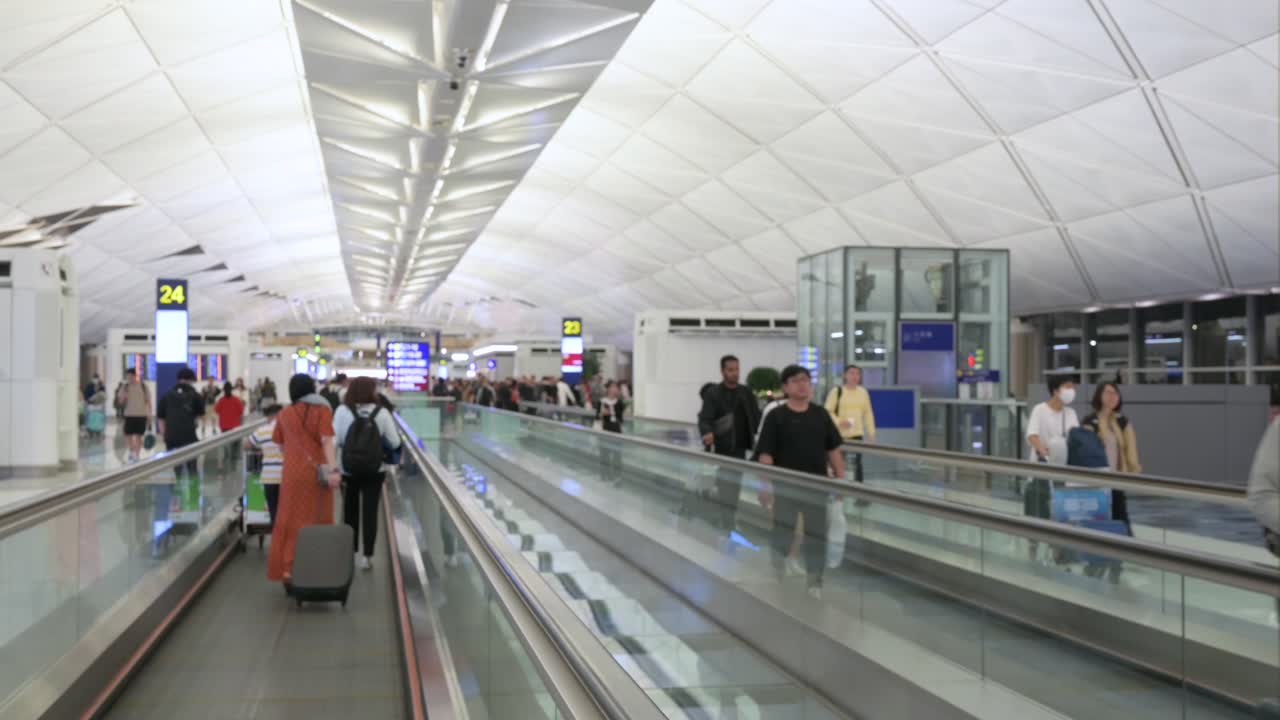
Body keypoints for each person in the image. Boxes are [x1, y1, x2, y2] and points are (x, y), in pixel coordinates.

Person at [755, 365, 845, 599]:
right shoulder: (777, 417)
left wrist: (841, 482)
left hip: (817, 486)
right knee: (783, 532)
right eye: (795, 381)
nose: (802, 384)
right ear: (785, 387)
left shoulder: (820, 415)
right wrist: (765, 485)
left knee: (816, 536)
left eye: (805, 380)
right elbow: (766, 454)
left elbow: (833, 450)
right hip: (785, 487)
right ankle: (778, 570)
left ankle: (815, 580)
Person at [267, 374, 341, 587]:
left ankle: (289, 569)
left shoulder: (284, 414)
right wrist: (334, 469)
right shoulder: (323, 410)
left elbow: (280, 446)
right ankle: (318, 567)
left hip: (291, 475)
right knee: (319, 518)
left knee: (290, 521)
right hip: (317, 475)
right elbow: (327, 442)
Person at [333, 377, 402, 570]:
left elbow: (334, 440)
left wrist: (334, 466)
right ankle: (367, 556)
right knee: (370, 511)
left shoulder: (342, 411)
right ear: (372, 391)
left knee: (349, 511)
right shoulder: (382, 413)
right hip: (375, 469)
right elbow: (395, 442)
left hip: (348, 469)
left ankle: (350, 553)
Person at [697, 355, 763, 528]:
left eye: (737, 369)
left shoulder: (745, 392)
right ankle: (726, 521)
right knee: (726, 486)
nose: (735, 373)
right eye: (731, 370)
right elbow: (705, 418)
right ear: (722, 371)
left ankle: (728, 519)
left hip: (740, 449)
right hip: (721, 448)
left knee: (733, 486)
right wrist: (707, 432)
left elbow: (755, 416)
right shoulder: (714, 393)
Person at [1024, 375, 1081, 536]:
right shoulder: (1040, 410)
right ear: (1056, 390)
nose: (1072, 391)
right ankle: (1032, 550)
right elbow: (1032, 435)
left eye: (1072, 387)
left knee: (1061, 517)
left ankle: (1058, 553)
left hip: (1063, 473)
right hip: (1041, 472)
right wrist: (1042, 450)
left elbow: (1075, 438)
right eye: (1068, 387)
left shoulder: (1070, 413)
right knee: (1036, 517)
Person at [1079, 382, 1141, 525]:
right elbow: (1086, 451)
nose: (1112, 396)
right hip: (1097, 481)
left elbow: (1131, 452)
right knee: (1099, 521)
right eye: (1108, 393)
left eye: (1115, 393)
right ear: (1099, 396)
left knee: (1121, 520)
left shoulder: (1122, 422)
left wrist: (1133, 472)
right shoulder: (1089, 422)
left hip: (1116, 480)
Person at [824, 364, 876, 485]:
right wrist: (839, 421)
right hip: (838, 435)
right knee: (837, 464)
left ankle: (859, 495)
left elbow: (868, 413)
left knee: (857, 465)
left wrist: (871, 433)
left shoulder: (863, 392)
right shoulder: (837, 391)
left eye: (858, 374)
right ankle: (836, 490)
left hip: (856, 434)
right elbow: (827, 411)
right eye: (851, 373)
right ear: (845, 375)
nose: (855, 376)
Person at [156, 368, 205, 476]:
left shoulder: (166, 395)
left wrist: (165, 434)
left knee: (177, 468)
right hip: (189, 436)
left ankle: (178, 489)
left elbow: (160, 418)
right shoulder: (196, 396)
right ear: (190, 380)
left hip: (171, 438)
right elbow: (201, 414)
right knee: (192, 468)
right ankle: (193, 491)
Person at [246, 404, 284, 527]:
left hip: (269, 477)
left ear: (270, 416)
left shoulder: (262, 430)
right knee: (286, 512)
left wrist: (261, 448)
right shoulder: (288, 429)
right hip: (286, 477)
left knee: (273, 511)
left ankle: (276, 540)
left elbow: (246, 444)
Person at [596, 381, 626, 482]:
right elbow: (597, 417)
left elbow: (621, 418)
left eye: (616, 387)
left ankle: (617, 476)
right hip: (605, 428)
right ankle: (605, 475)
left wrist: (621, 429)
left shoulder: (619, 402)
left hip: (616, 428)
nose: (614, 389)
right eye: (612, 387)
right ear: (608, 389)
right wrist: (602, 414)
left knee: (617, 453)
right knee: (605, 453)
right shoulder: (602, 402)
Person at [119, 369, 151, 462]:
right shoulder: (125, 387)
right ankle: (132, 451)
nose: (129, 379)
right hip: (129, 414)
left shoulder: (143, 386)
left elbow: (148, 401)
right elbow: (120, 402)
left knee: (138, 436)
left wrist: (149, 413)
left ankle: (137, 454)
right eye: (127, 377)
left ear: (134, 376)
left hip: (141, 415)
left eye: (130, 376)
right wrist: (124, 396)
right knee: (128, 435)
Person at [214, 382, 245, 462]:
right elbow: (241, 411)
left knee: (225, 442)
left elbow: (217, 410)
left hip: (224, 425)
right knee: (235, 442)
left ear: (224, 390)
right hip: (235, 425)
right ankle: (234, 457)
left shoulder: (221, 400)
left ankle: (226, 456)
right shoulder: (236, 400)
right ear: (231, 390)